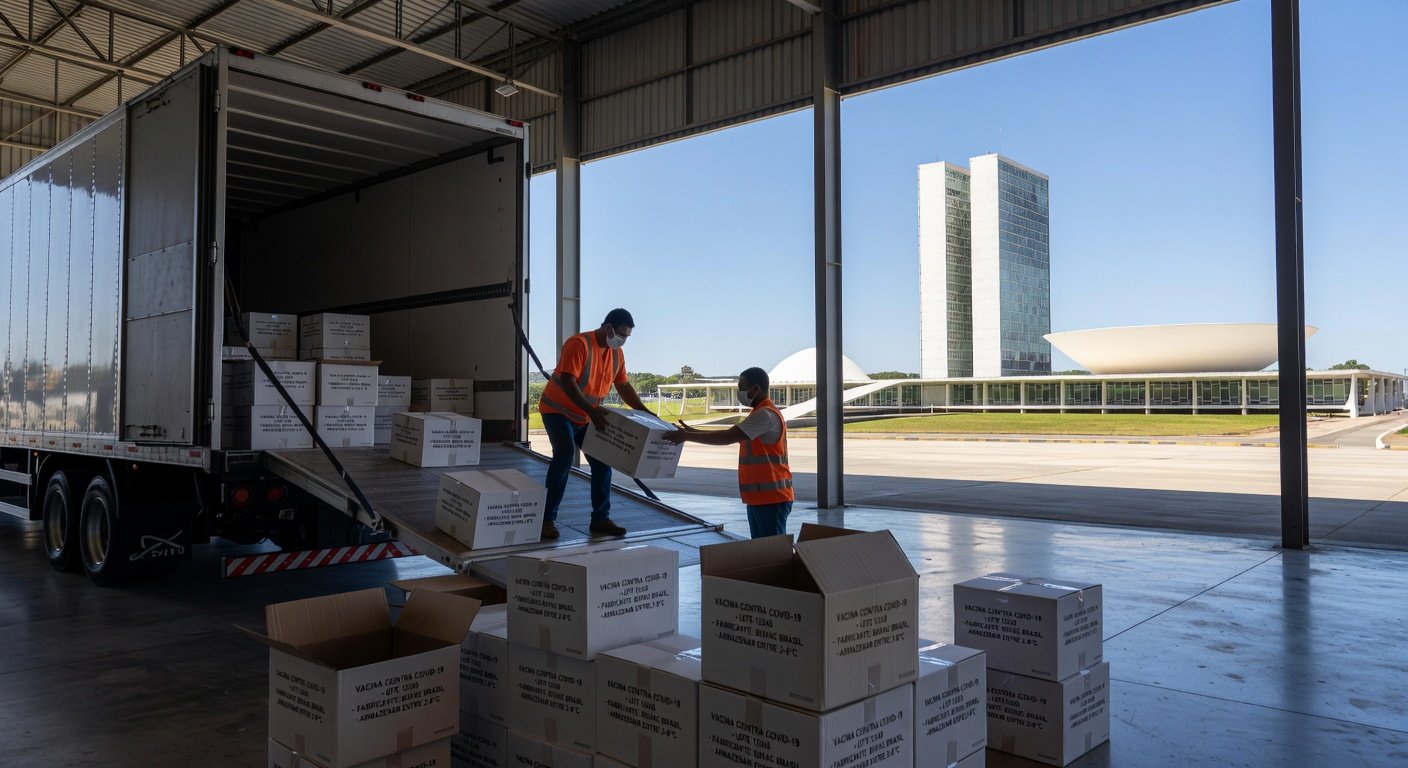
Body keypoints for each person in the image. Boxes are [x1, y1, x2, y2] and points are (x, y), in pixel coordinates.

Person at [538, 308, 650, 540]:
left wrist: (644, 411)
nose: (623, 340)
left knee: (601, 461)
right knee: (565, 454)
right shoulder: (579, 344)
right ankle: (546, 519)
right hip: (557, 411)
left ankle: (600, 518)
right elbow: (569, 382)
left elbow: (624, 386)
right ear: (608, 328)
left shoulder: (616, 354)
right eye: (621, 335)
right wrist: (592, 411)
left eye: (627, 337)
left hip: (585, 416)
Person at [664, 367, 793, 538]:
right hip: (761, 498)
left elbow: (728, 436)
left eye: (742, 388)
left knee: (774, 553)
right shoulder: (759, 413)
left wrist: (686, 436)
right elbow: (732, 433)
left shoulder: (765, 416)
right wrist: (692, 431)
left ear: (756, 389)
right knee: (764, 552)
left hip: (772, 499)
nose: (740, 392)